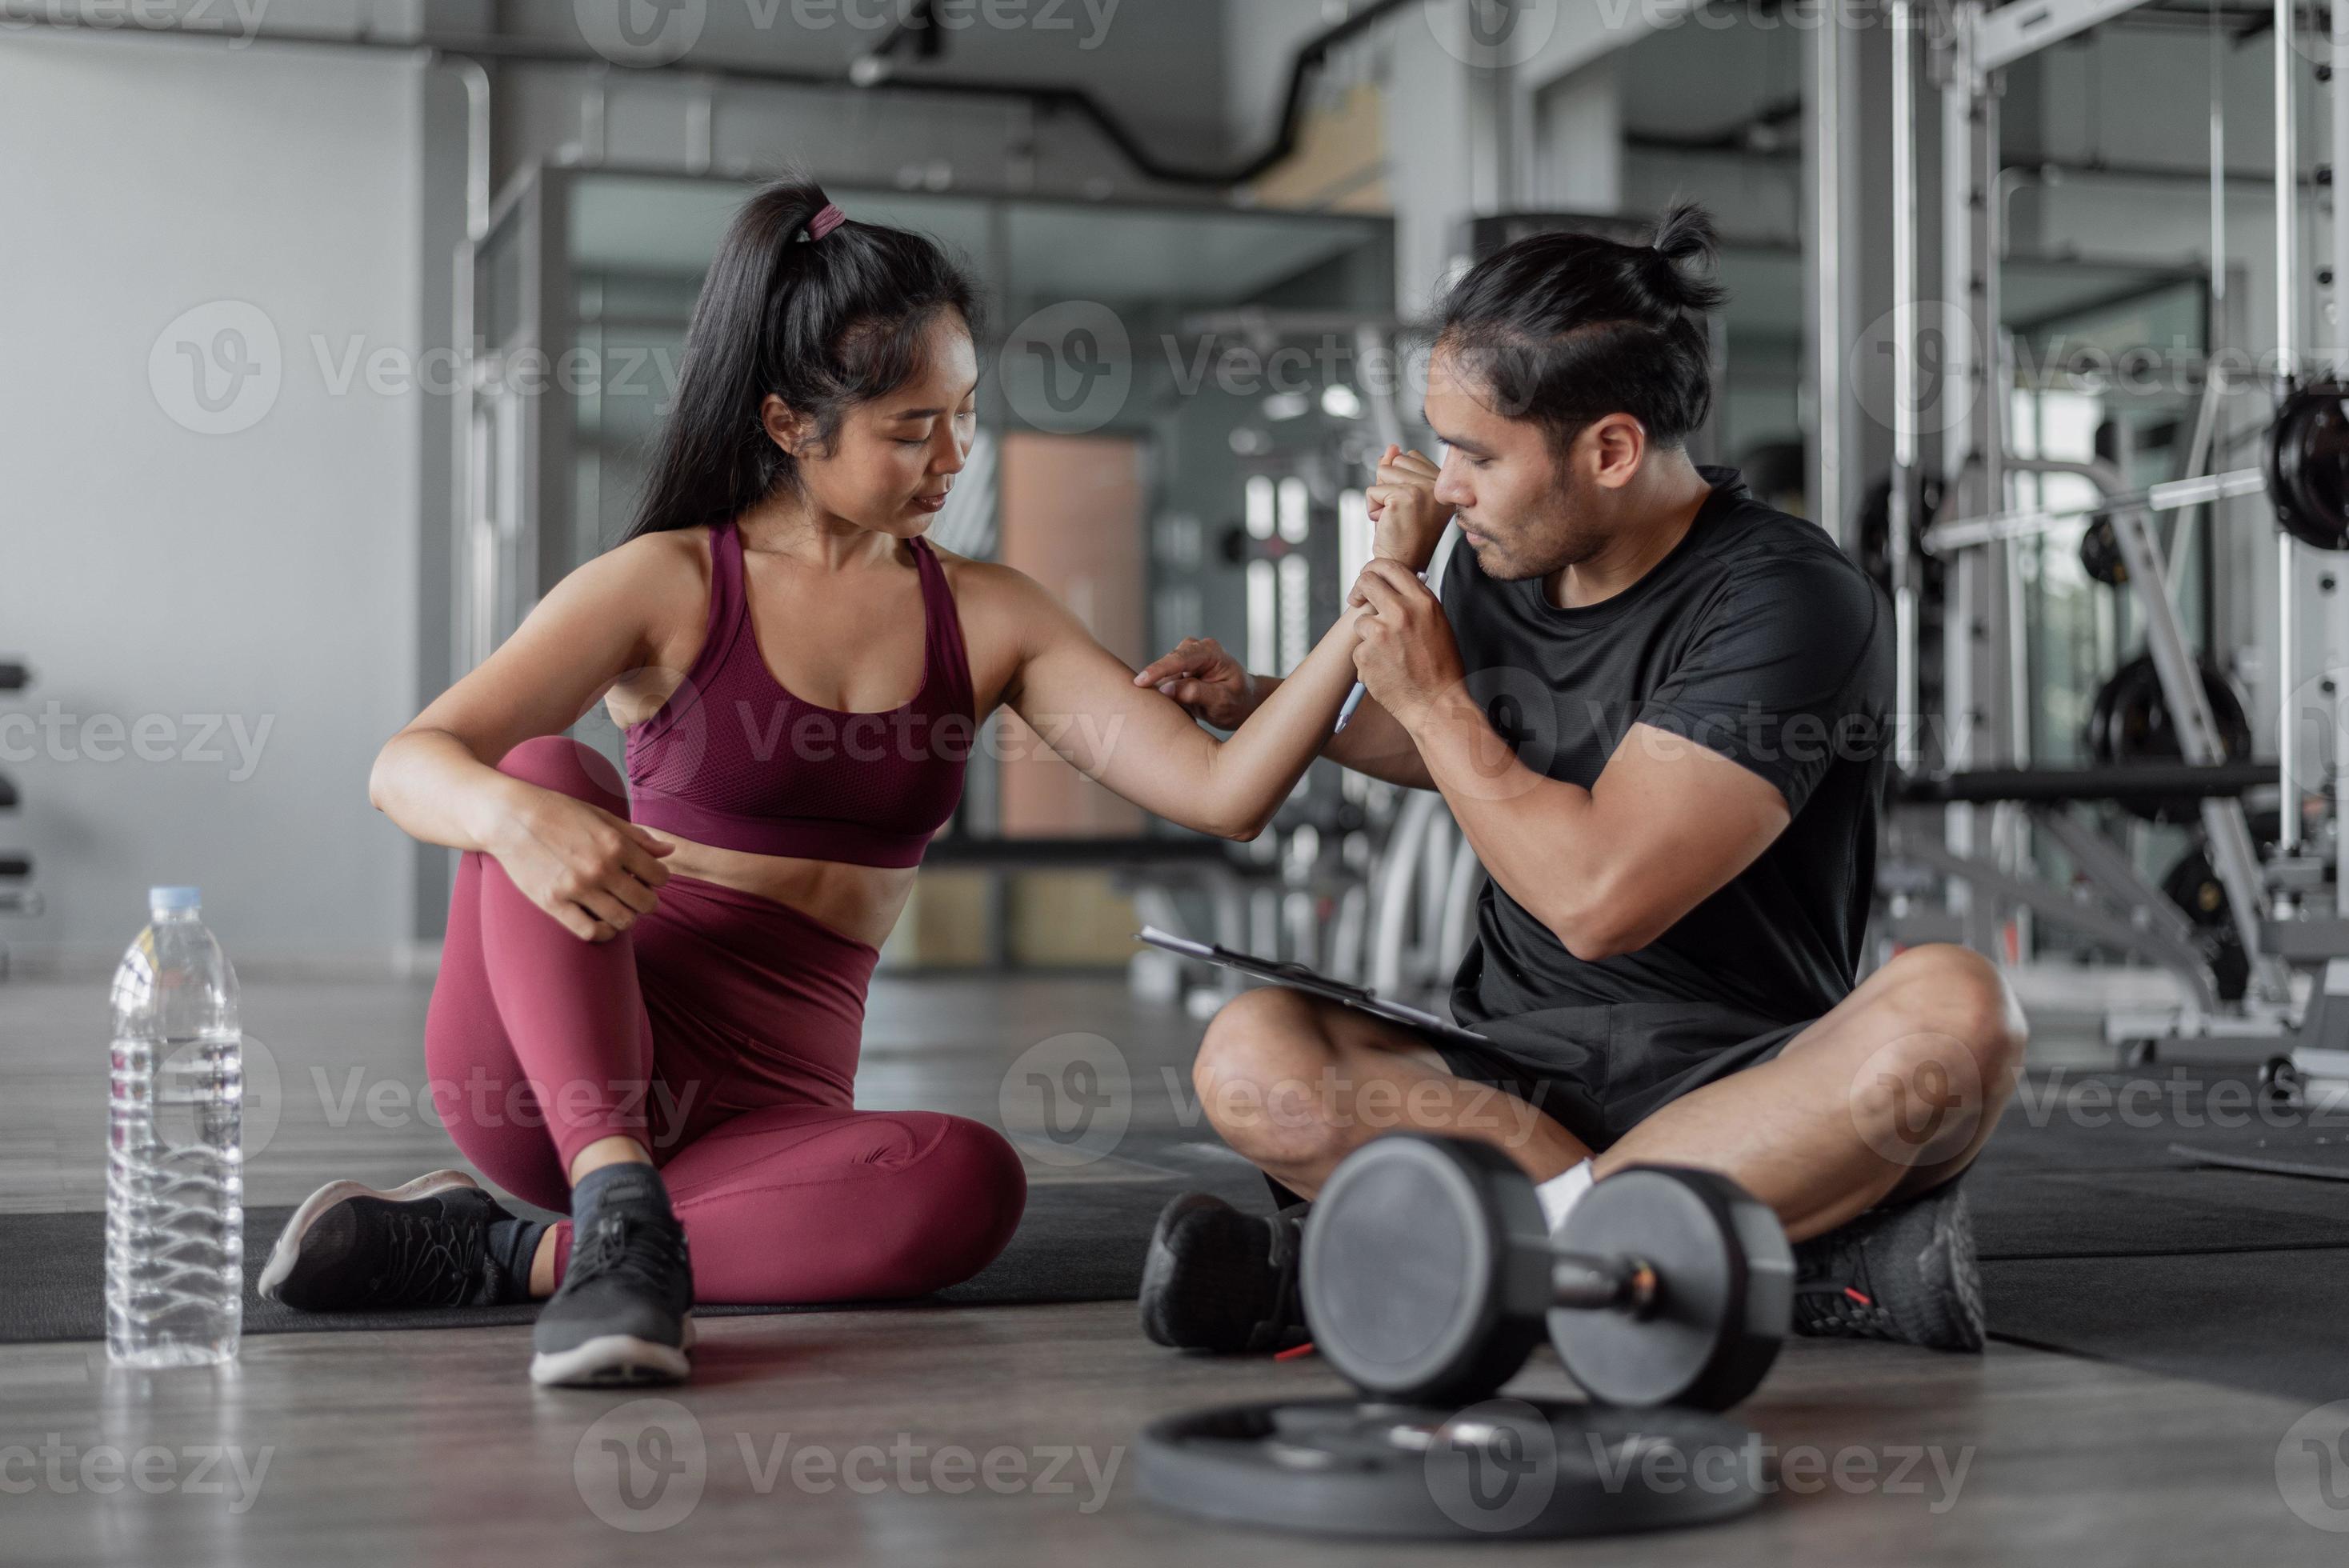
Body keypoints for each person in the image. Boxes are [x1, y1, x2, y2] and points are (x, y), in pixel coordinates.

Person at [258, 182, 1391, 1387]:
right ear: (793, 425)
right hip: (567, 1069)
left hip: (769, 1120)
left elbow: (1223, 795)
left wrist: (1365, 612)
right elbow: (408, 762)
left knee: (967, 1183)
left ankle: (508, 1255)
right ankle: (613, 1204)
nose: (955, 458)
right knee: (544, 766)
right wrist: (512, 814)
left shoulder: (990, 614)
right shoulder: (671, 582)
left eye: (965, 416)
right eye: (914, 429)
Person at [1130, 205, 2025, 1361]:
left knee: (1957, 1018)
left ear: (1608, 451)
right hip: (1505, 1081)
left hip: (1738, 1090)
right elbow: (1455, 750)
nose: (1445, 487)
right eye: (1443, 445)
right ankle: (1736, 1265)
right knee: (1251, 1053)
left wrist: (1437, 695)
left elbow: (1601, 901)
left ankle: (1405, 1266)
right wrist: (1262, 697)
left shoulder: (1788, 600)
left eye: (1478, 455)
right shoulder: (1514, 551)